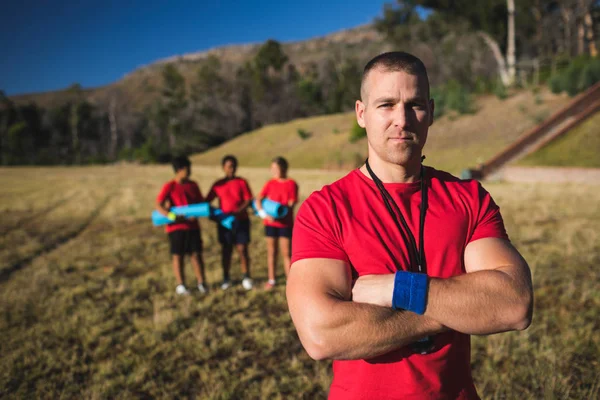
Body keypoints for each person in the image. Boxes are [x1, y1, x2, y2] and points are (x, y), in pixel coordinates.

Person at [286, 52, 533, 399]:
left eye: (414, 104)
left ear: (430, 112)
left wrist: (398, 290)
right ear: (361, 113)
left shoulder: (469, 198)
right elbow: (321, 334)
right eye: (386, 104)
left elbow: (514, 304)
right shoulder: (326, 209)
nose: (401, 119)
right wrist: (452, 310)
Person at [156, 155, 208, 295]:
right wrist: (173, 217)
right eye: (187, 169)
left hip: (193, 227)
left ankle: (201, 283)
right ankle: (181, 285)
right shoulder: (170, 186)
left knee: (196, 255)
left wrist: (196, 215)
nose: (190, 171)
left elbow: (200, 204)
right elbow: (159, 205)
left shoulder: (193, 185)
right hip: (176, 228)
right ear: (179, 170)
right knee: (177, 255)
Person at [206, 155, 254, 291]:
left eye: (233, 166)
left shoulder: (242, 182)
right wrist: (214, 215)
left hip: (241, 221)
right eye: (228, 166)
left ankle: (246, 276)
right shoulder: (218, 184)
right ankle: (226, 278)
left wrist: (238, 211)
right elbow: (207, 201)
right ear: (223, 168)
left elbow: (248, 200)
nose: (231, 169)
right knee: (226, 250)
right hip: (225, 223)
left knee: (243, 250)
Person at [255, 157, 299, 290]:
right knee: (271, 252)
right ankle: (272, 280)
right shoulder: (270, 183)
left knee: (286, 253)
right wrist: (264, 214)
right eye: (272, 168)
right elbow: (258, 199)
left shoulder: (292, 184)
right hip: (270, 224)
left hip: (284, 224)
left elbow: (292, 204)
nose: (274, 171)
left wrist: (280, 215)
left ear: (284, 168)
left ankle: (289, 281)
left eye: (276, 168)